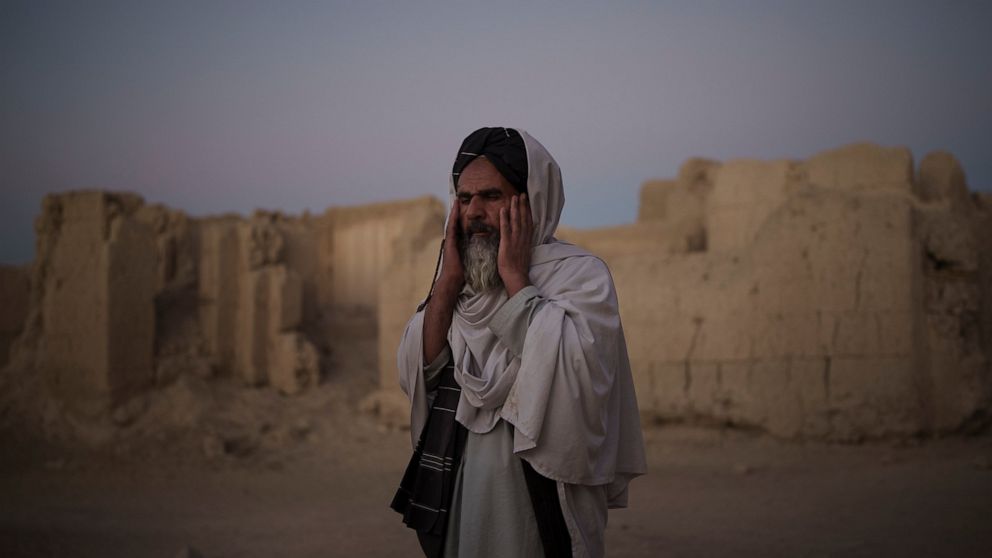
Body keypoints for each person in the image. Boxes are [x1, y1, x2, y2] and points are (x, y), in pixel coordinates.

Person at [391, 127, 646, 558]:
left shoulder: (580, 277)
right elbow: (419, 371)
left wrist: (516, 279)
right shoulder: (459, 288)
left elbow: (576, 378)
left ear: (532, 200)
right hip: (461, 496)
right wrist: (449, 282)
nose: (474, 212)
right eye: (465, 198)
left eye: (492, 197)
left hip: (537, 503)